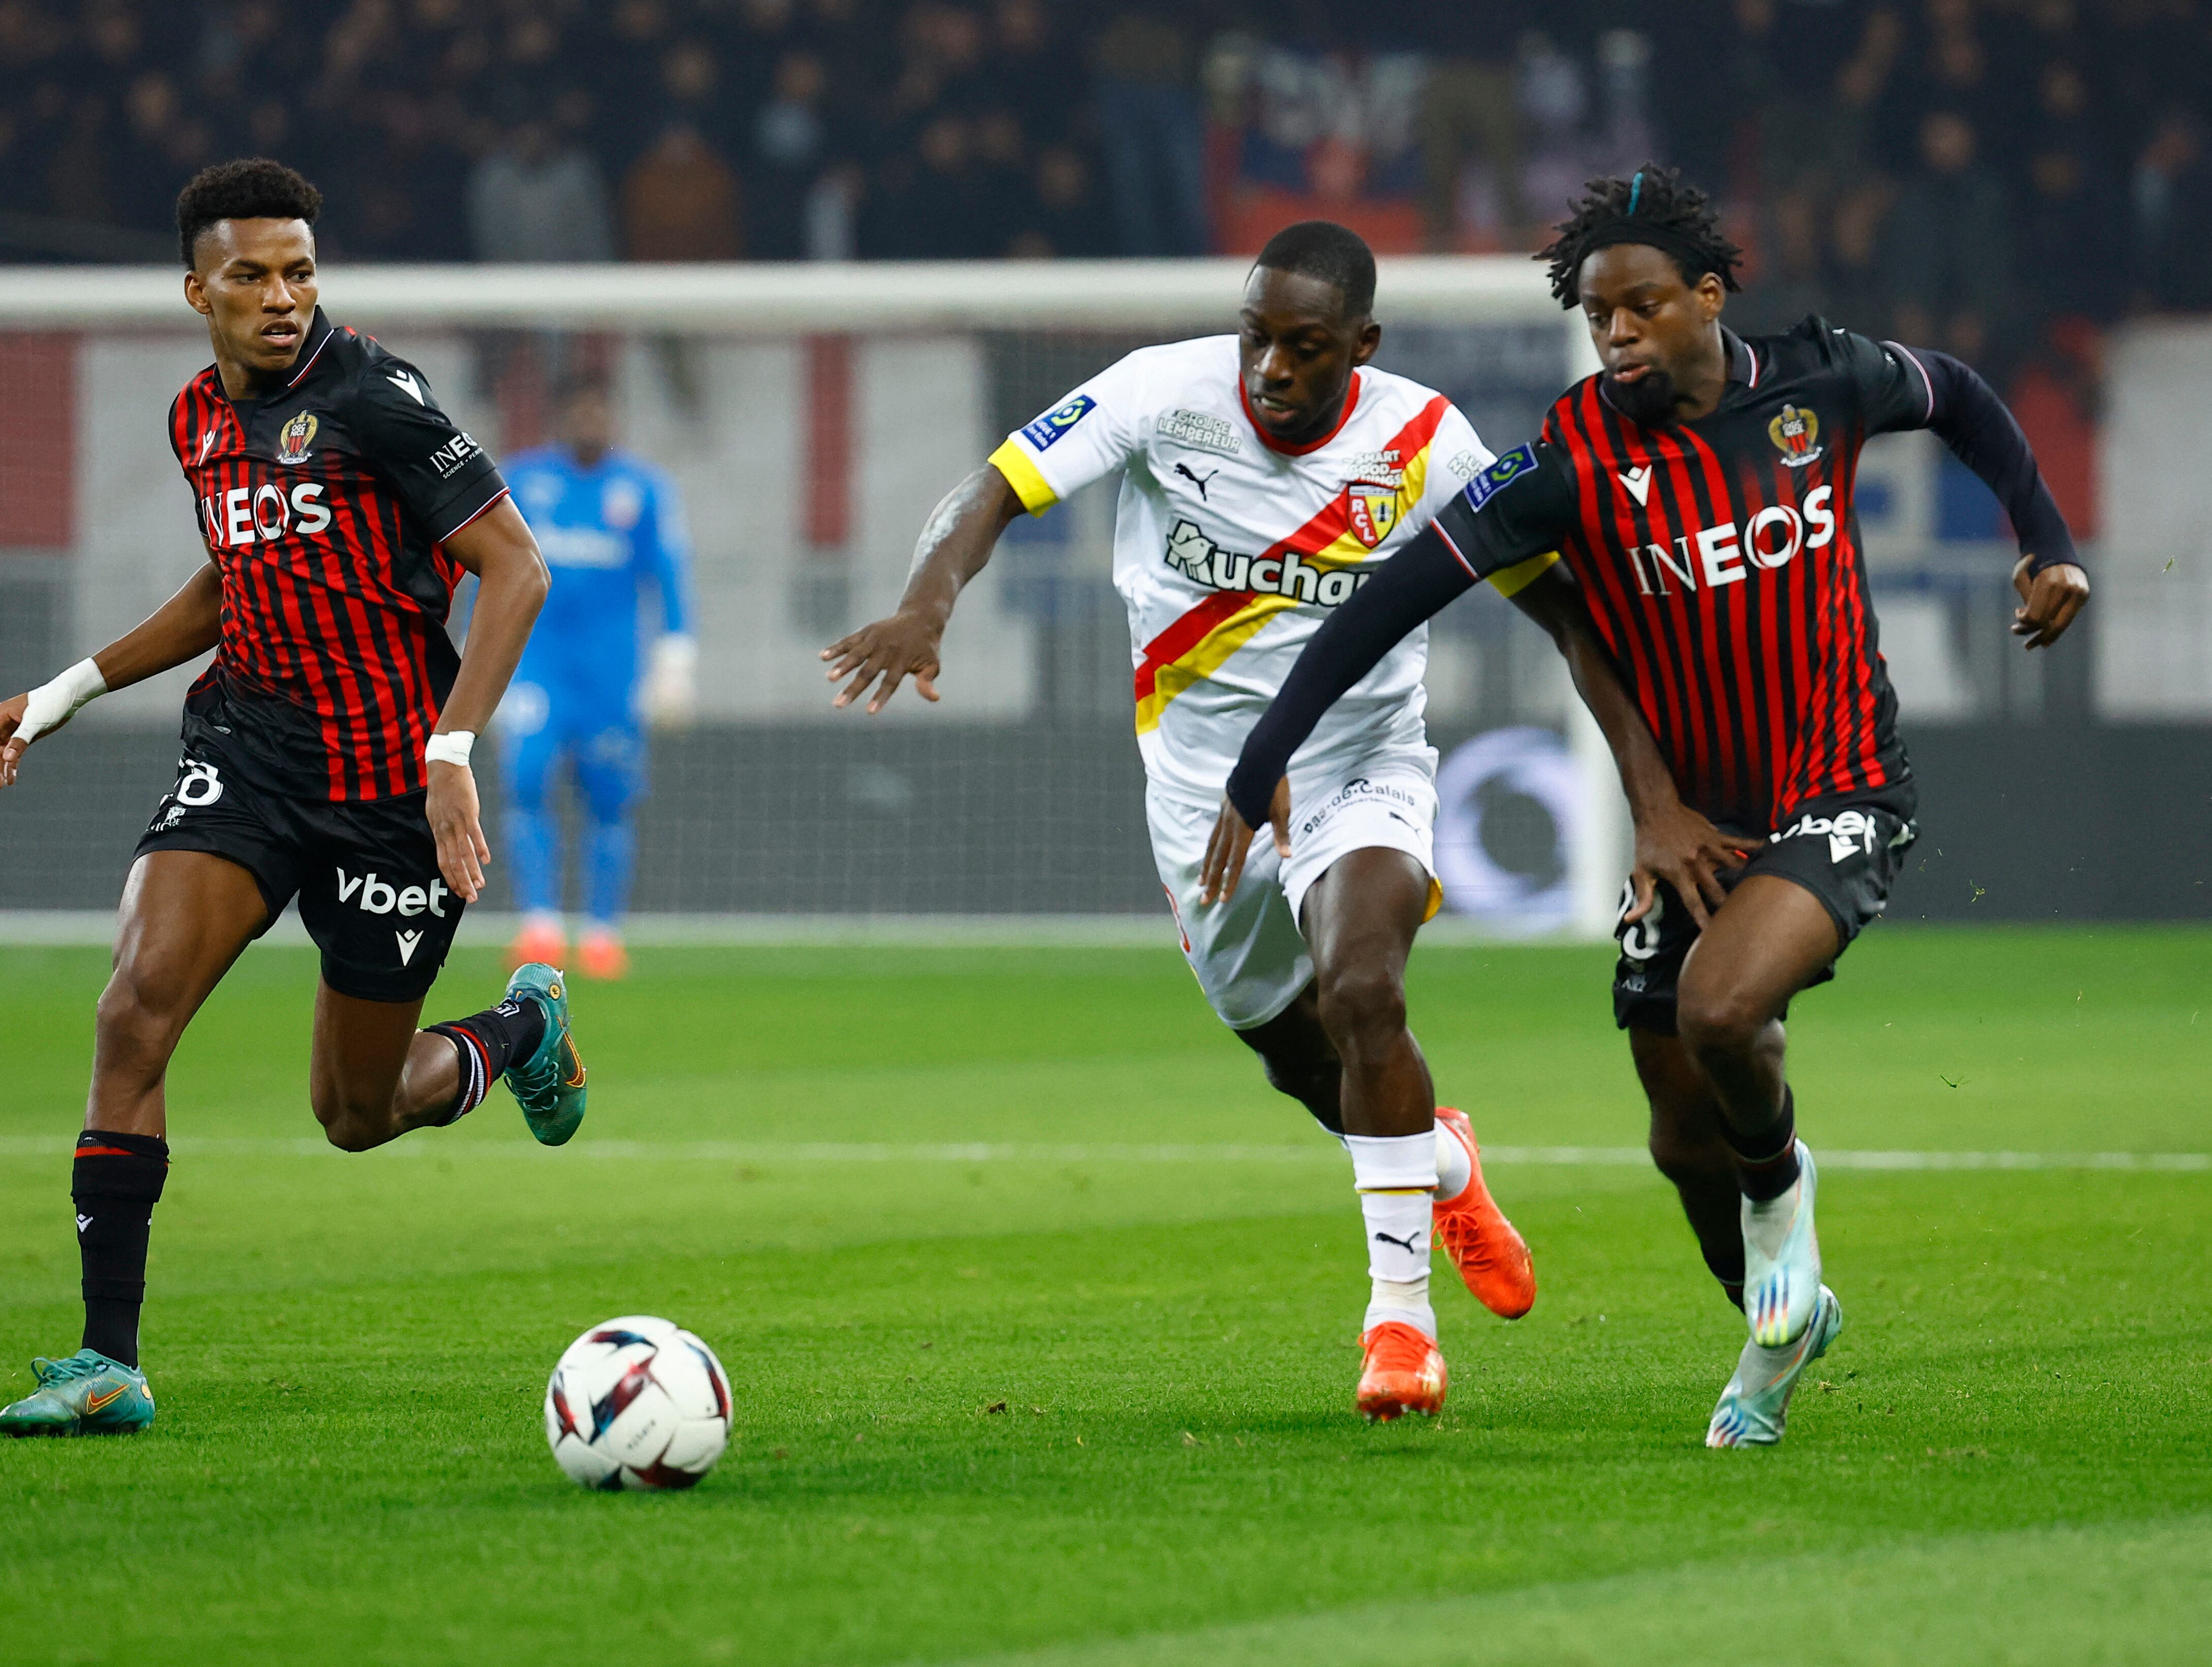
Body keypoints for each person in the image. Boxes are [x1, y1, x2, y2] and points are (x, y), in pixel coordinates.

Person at [1202, 167, 2090, 1447]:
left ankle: (1784, 1210)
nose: (1613, 334)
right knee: (1679, 1133)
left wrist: (2045, 536)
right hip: (1691, 827)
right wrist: (1257, 760)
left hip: (1836, 781)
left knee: (1721, 1009)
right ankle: (1777, 1324)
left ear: (1706, 295)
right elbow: (1391, 597)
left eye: (1638, 307)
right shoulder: (1566, 457)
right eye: (1595, 316)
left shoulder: (1816, 381)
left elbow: (1956, 392)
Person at [821, 222, 1589, 1421]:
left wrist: (1662, 761)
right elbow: (995, 487)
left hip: (1356, 759)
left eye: (1304, 346)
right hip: (1197, 792)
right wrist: (927, 603)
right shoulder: (1155, 393)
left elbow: (1554, 594)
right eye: (1257, 338)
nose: (1271, 368)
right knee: (1298, 1055)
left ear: (1360, 346)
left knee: (1363, 989)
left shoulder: (1425, 441)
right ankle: (1439, 1160)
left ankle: (1398, 1324)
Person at [0, 159, 586, 1438]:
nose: (281, 297)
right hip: (247, 755)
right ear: (196, 289)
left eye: (299, 271)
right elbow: (230, 579)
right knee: (134, 1008)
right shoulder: (196, 415)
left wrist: (452, 752)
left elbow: (515, 569)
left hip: (387, 792)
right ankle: (107, 1360)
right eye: (250, 275)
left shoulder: (380, 398)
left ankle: (518, 1035)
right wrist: (67, 687)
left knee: (355, 1113)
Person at [499, 373, 697, 980]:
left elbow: (668, 576)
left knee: (609, 801)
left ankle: (603, 932)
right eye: (580, 410)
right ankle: (540, 925)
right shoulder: (521, 482)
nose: (592, 420)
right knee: (526, 782)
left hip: (612, 675)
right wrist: (473, 656)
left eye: (601, 410)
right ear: (560, 418)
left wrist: (676, 658)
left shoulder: (642, 490)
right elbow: (487, 571)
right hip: (537, 667)